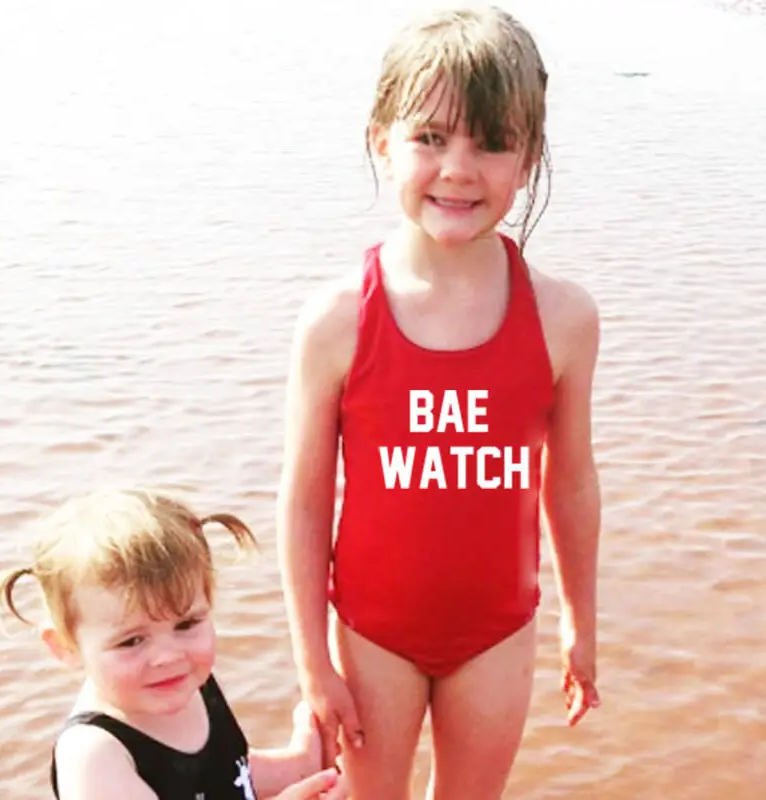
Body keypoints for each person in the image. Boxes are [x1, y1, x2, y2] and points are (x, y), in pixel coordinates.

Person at [277, 4, 602, 799]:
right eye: (430, 137)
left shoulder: (563, 317)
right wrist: (313, 661)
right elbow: (306, 499)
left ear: (529, 156)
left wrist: (580, 622)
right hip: (372, 633)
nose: (459, 169)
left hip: (497, 632)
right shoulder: (336, 320)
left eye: (492, 143)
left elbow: (569, 482)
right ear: (381, 141)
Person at [0, 488, 349, 800]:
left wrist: (299, 767)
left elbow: (228, 773)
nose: (168, 656)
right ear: (65, 647)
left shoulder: (188, 684)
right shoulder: (96, 757)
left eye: (186, 624)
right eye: (131, 641)